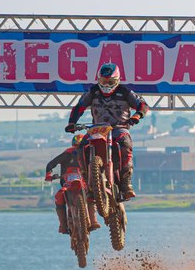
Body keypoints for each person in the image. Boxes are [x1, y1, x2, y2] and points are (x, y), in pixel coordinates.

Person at [64, 63, 150, 201]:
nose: (106, 85)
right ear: (98, 79)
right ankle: (88, 185)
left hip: (119, 127)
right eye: (103, 81)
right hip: (97, 128)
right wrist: (71, 123)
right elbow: (79, 107)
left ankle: (126, 184)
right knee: (81, 147)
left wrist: (137, 116)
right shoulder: (93, 92)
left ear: (117, 80)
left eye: (110, 82)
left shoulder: (125, 92)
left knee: (125, 144)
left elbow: (143, 105)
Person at [45, 134, 100, 234]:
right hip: (67, 184)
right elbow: (51, 164)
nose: (77, 150)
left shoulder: (89, 154)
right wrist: (49, 175)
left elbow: (98, 166)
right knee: (60, 195)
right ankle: (63, 224)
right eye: (76, 148)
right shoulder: (68, 153)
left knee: (91, 194)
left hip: (84, 183)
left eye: (79, 148)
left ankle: (93, 220)